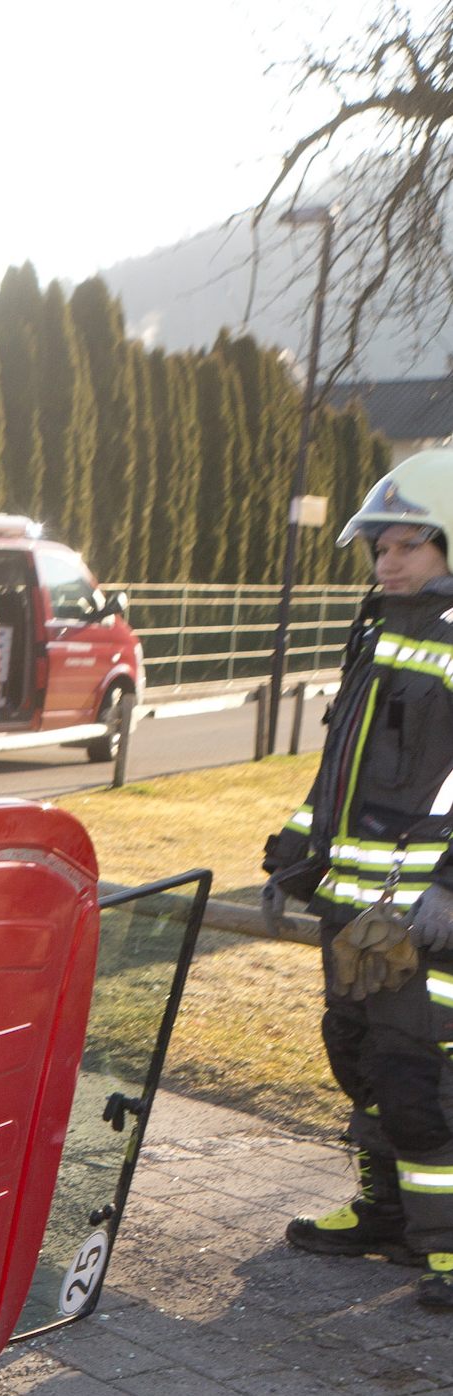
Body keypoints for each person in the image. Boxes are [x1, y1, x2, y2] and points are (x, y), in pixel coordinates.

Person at [266, 452, 453, 1313]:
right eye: (378, 545)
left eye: (408, 543)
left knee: (420, 1076)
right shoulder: (378, 631)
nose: (387, 560)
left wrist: (448, 887)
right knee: (361, 1054)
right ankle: (387, 1214)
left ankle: (443, 1245)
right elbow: (341, 772)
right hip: (359, 911)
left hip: (423, 917)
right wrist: (293, 856)